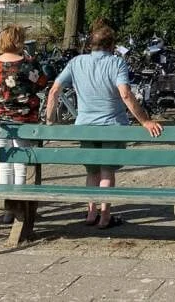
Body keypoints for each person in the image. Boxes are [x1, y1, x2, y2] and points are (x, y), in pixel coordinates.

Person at [46, 24, 162, 229]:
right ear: (111, 45)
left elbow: (54, 90)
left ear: (91, 44)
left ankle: (91, 213)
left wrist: (50, 120)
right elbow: (125, 94)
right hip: (112, 126)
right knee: (107, 170)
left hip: (85, 127)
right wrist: (145, 121)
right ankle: (105, 216)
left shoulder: (76, 62)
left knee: (92, 171)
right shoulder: (116, 63)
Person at [0, 24, 47, 223]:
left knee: (4, 159)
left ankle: (8, 210)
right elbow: (42, 83)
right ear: (18, 40)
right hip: (22, 116)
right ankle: (20, 206)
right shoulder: (28, 63)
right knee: (20, 160)